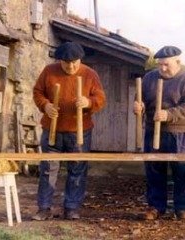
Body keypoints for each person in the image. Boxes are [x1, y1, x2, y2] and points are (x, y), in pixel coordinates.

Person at [32, 42, 106, 220]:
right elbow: (37, 92)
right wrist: (46, 105)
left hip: (79, 131)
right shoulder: (49, 71)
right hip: (52, 130)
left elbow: (100, 98)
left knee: (77, 169)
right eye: (66, 63)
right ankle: (44, 208)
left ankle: (72, 208)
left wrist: (88, 102)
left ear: (80, 60)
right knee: (48, 169)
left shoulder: (89, 74)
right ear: (60, 61)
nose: (71, 66)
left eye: (74, 62)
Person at [133, 46, 185, 220]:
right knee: (154, 169)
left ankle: (183, 208)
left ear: (178, 62)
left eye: (166, 65)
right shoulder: (149, 78)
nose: (162, 68)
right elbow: (140, 99)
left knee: (184, 170)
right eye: (159, 65)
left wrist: (168, 114)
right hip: (153, 131)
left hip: (182, 132)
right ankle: (156, 207)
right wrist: (139, 106)